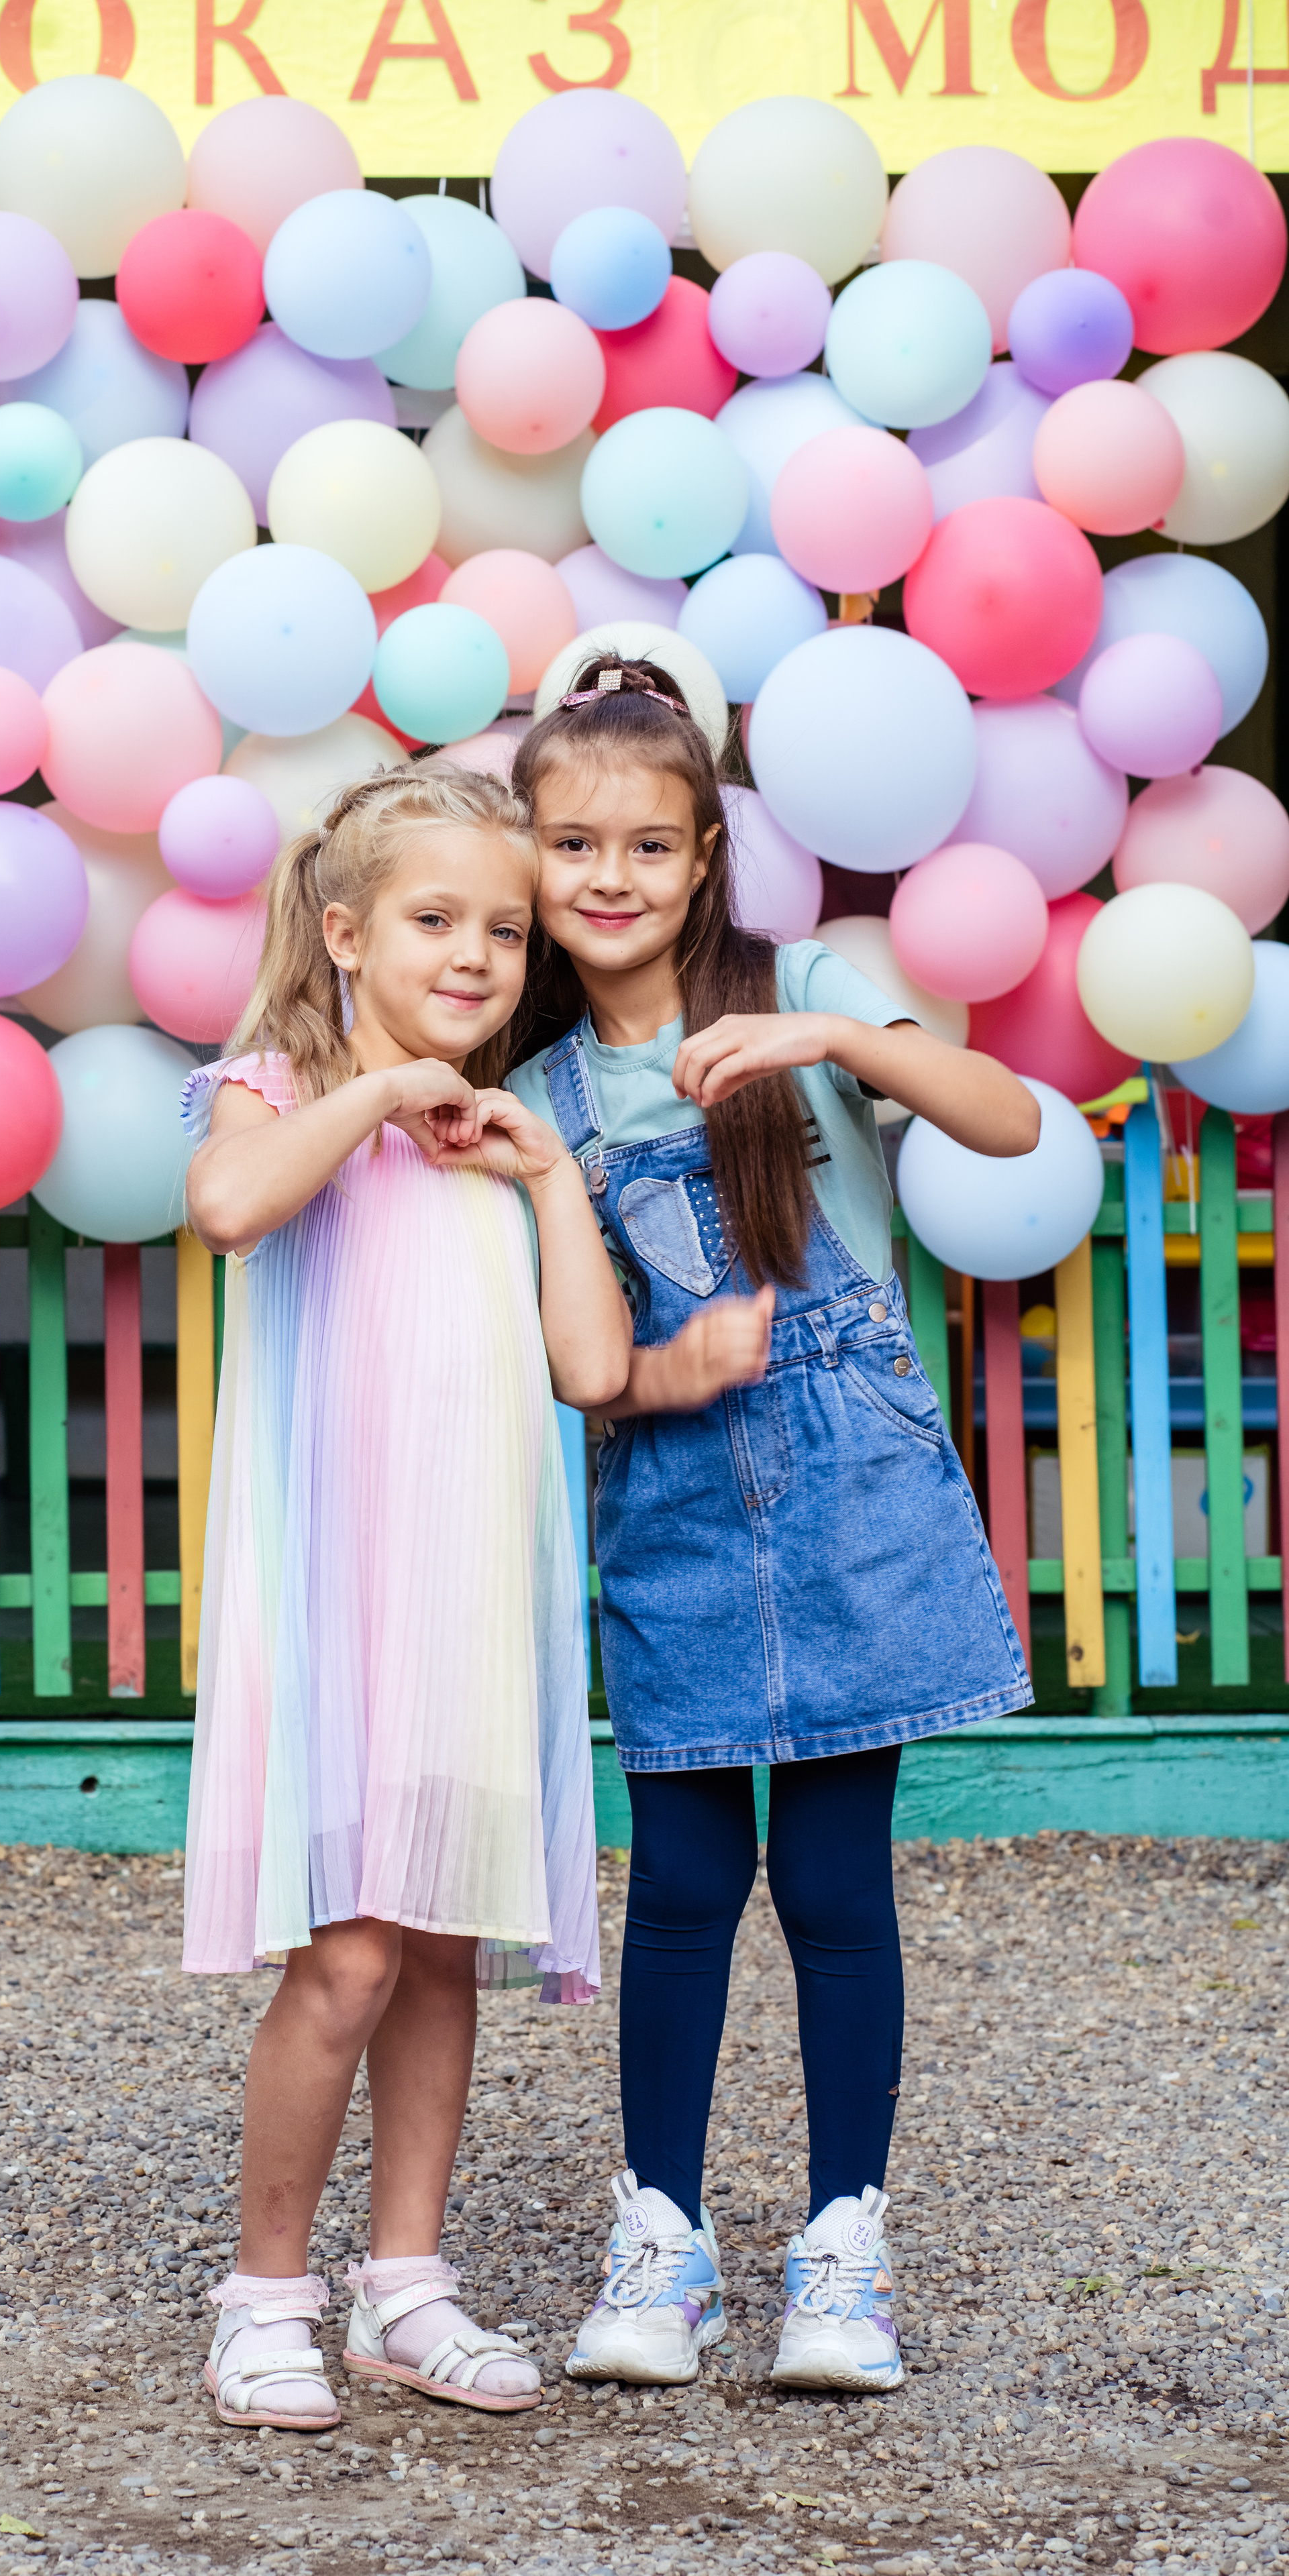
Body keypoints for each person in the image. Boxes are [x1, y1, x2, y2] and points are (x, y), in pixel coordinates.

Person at [503, 655, 1038, 2396]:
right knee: (681, 1883)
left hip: (855, 1493)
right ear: (528, 856)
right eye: (572, 842)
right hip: (672, 1505)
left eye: (646, 846)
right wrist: (674, 1367)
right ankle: (662, 2240)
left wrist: (833, 1037)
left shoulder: (803, 996)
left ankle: (843, 2250)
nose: (608, 877)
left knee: (828, 1880)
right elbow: (574, 1361)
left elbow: (1012, 1121)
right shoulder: (547, 1095)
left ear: (704, 856)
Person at [180, 761, 632, 2432]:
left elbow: (588, 1367)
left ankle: (406, 2287)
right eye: (435, 921)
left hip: (469, 1604)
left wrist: (543, 1175)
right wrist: (380, 1097)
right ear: (344, 928)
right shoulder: (279, 1090)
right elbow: (228, 1205)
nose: (475, 954)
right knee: (354, 1953)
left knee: (439, 1941)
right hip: (338, 1601)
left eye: (504, 931)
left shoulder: (510, 1142)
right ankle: (264, 2293)